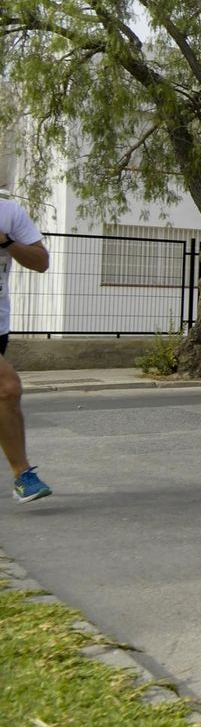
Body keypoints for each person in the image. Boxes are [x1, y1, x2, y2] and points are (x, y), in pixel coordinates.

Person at [0, 197, 53, 503]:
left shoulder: (8, 212)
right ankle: (23, 475)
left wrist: (6, 242)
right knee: (7, 387)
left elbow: (41, 262)